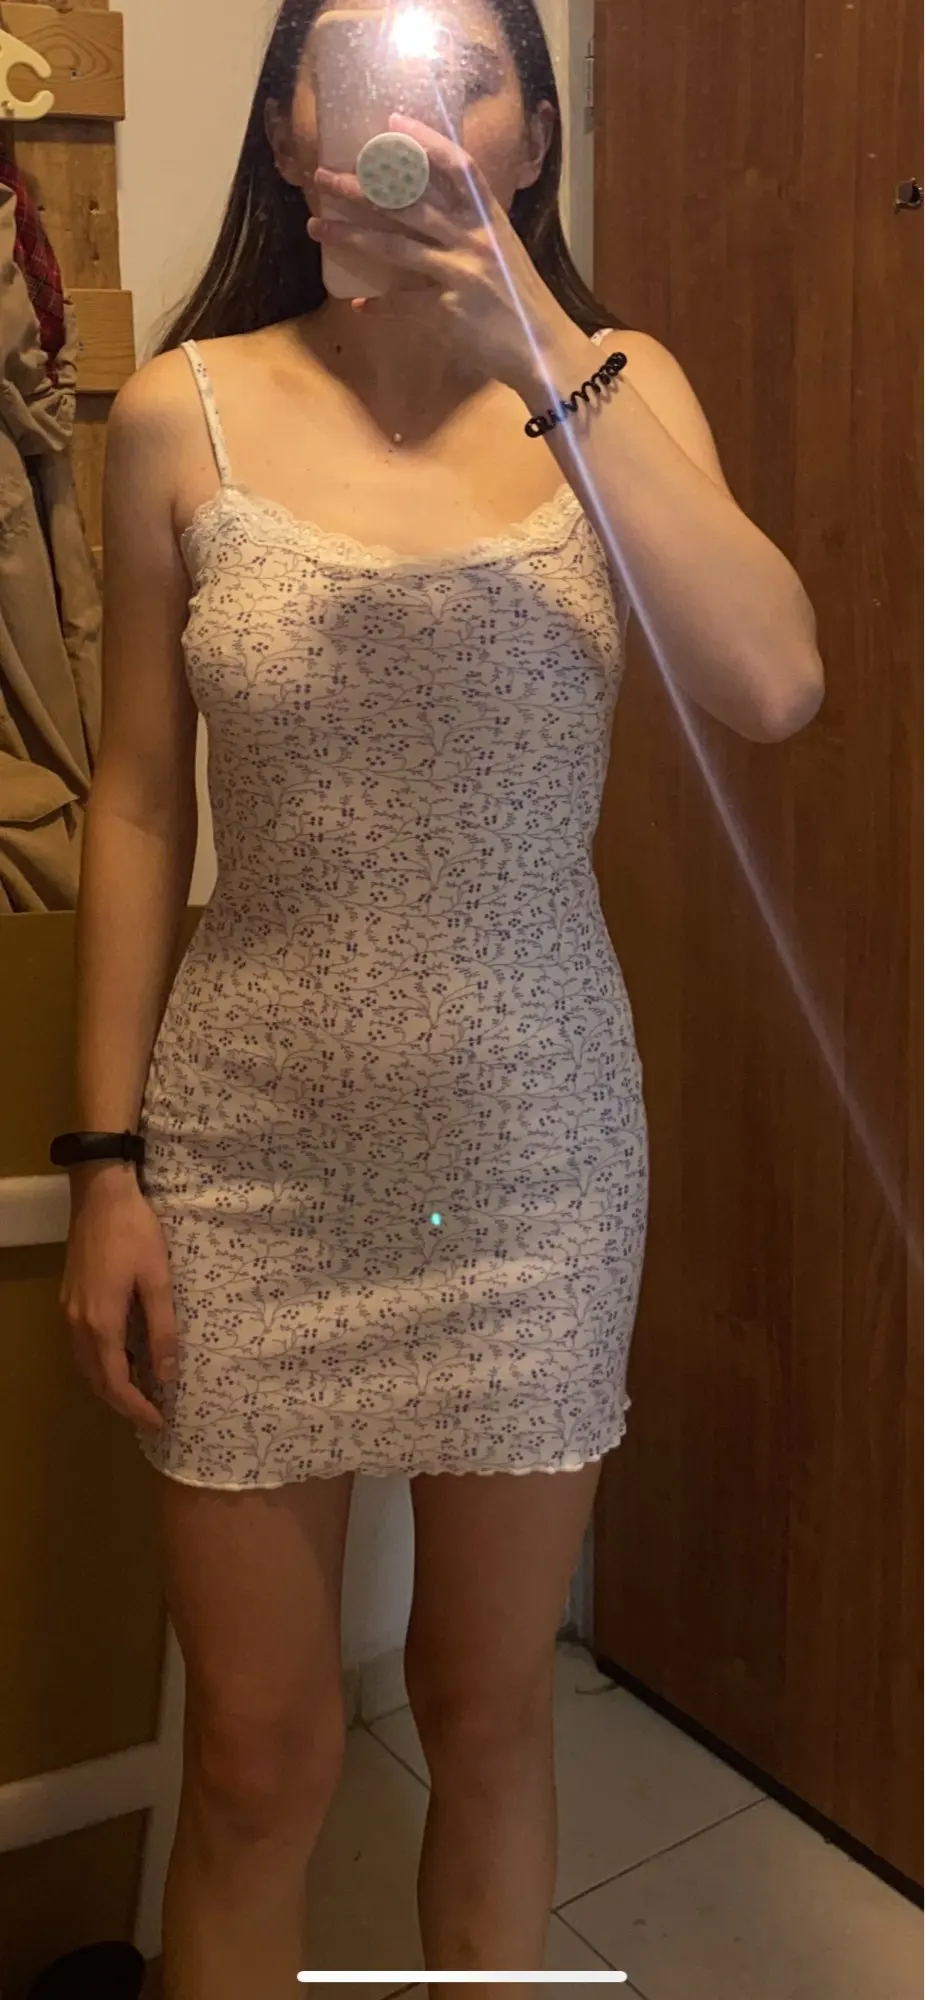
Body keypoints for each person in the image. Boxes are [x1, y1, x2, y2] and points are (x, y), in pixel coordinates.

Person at [57, 2, 825, 1995]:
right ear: (291, 129)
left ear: (533, 133)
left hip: (537, 1157)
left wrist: (536, 349)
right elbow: (137, 800)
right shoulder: (182, 413)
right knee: (255, 1763)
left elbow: (771, 681)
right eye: (365, 65)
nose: (413, 109)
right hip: (248, 1159)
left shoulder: (619, 389)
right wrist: (105, 1161)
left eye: (462, 70)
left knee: (489, 1726)